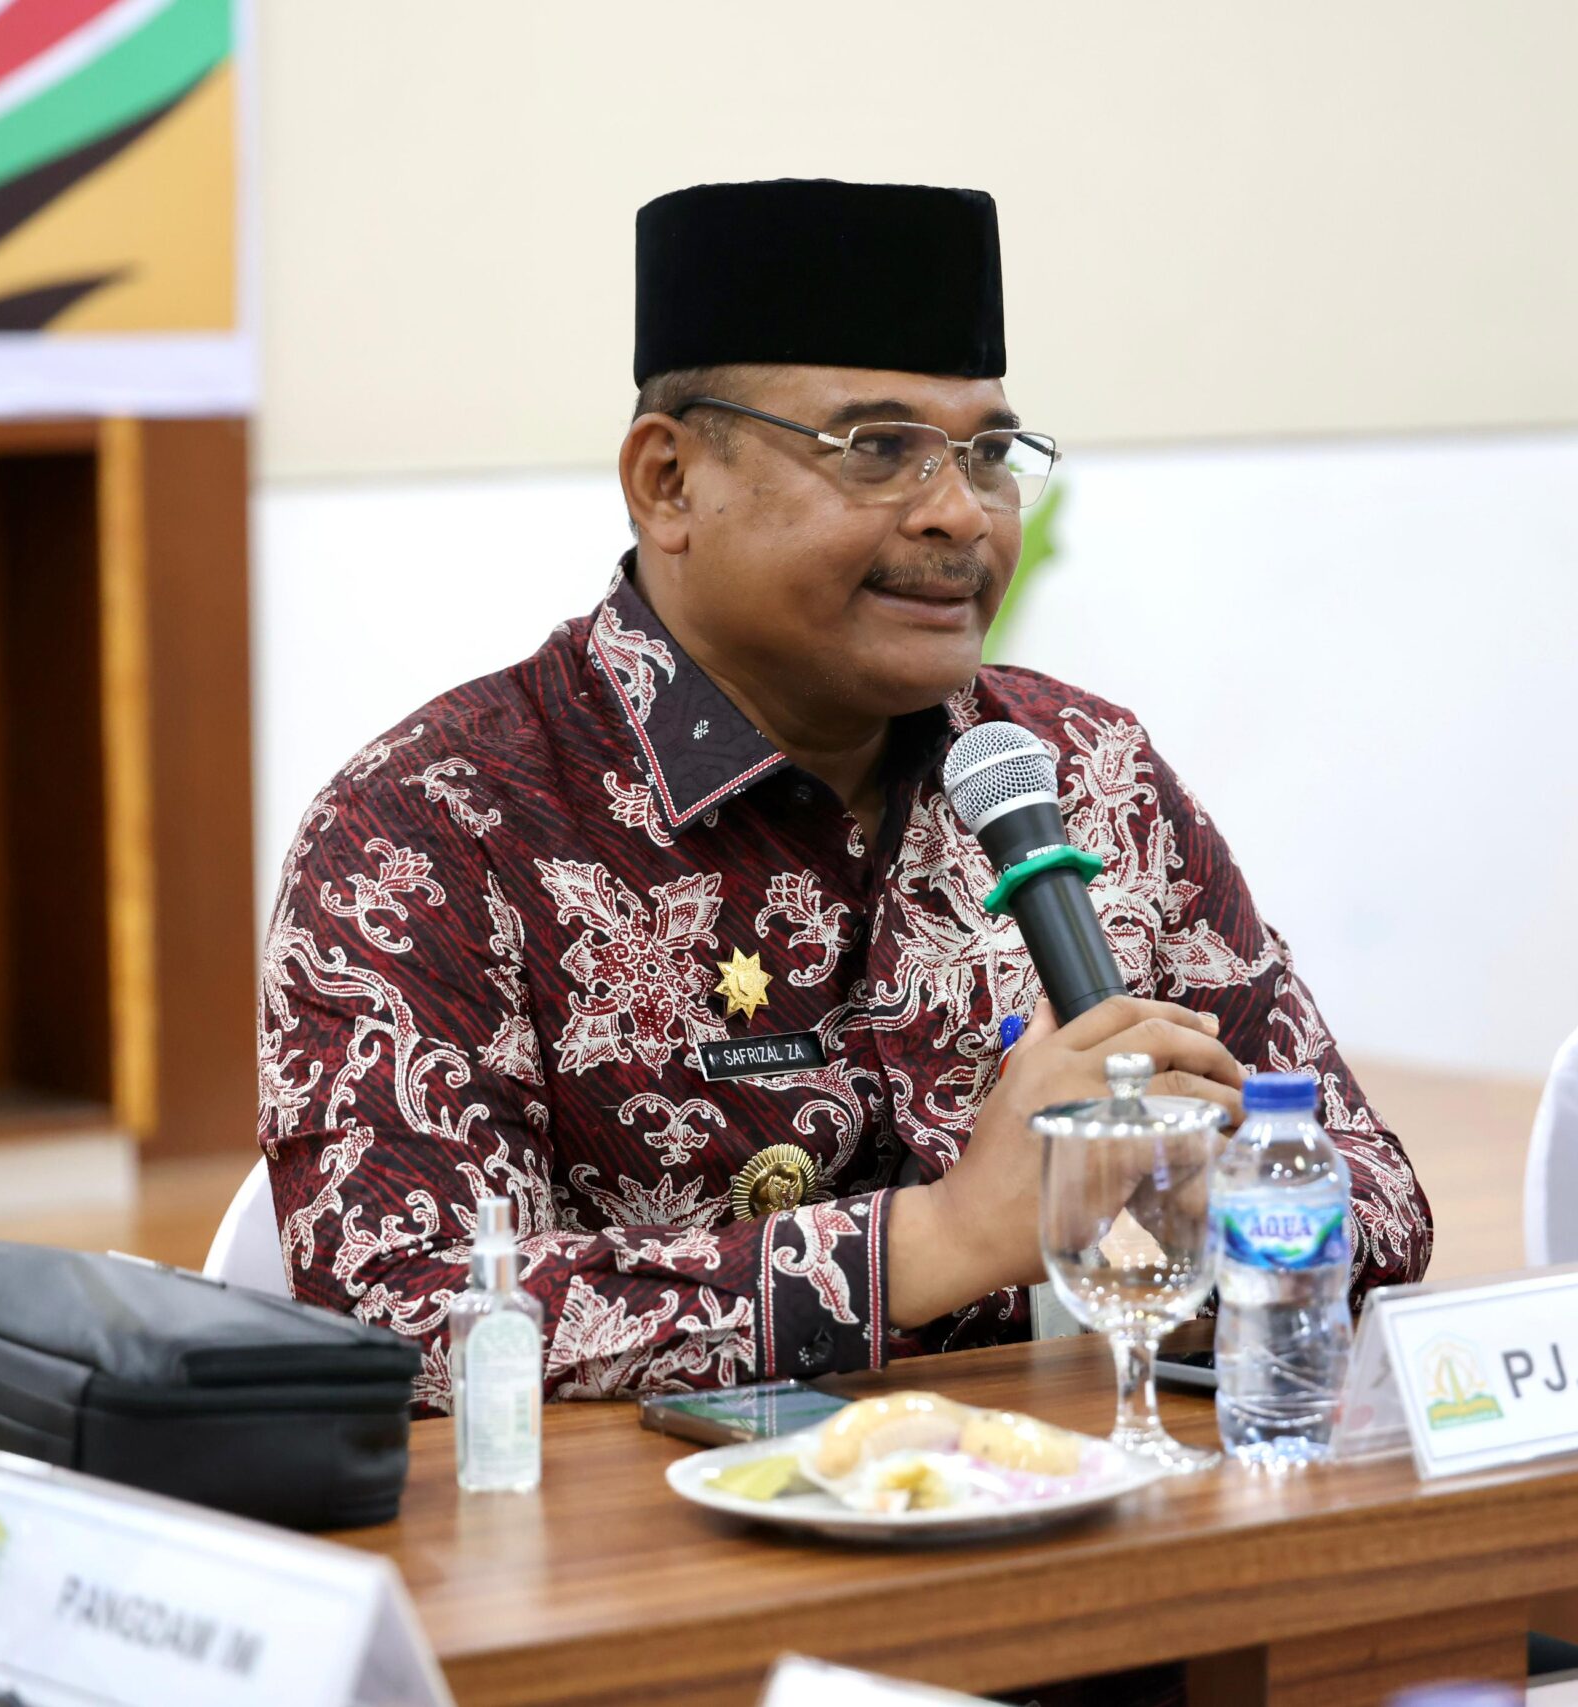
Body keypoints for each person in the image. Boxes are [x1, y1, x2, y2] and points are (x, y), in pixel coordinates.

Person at [257, 179, 1433, 1408]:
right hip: (669, 1526)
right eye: (877, 451)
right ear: (668, 483)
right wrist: (939, 1243)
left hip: (1079, 1489)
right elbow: (403, 1316)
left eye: (988, 456)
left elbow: (1375, 1198)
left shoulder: (1086, 770)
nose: (959, 515)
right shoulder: (436, 825)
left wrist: (1197, 1217)